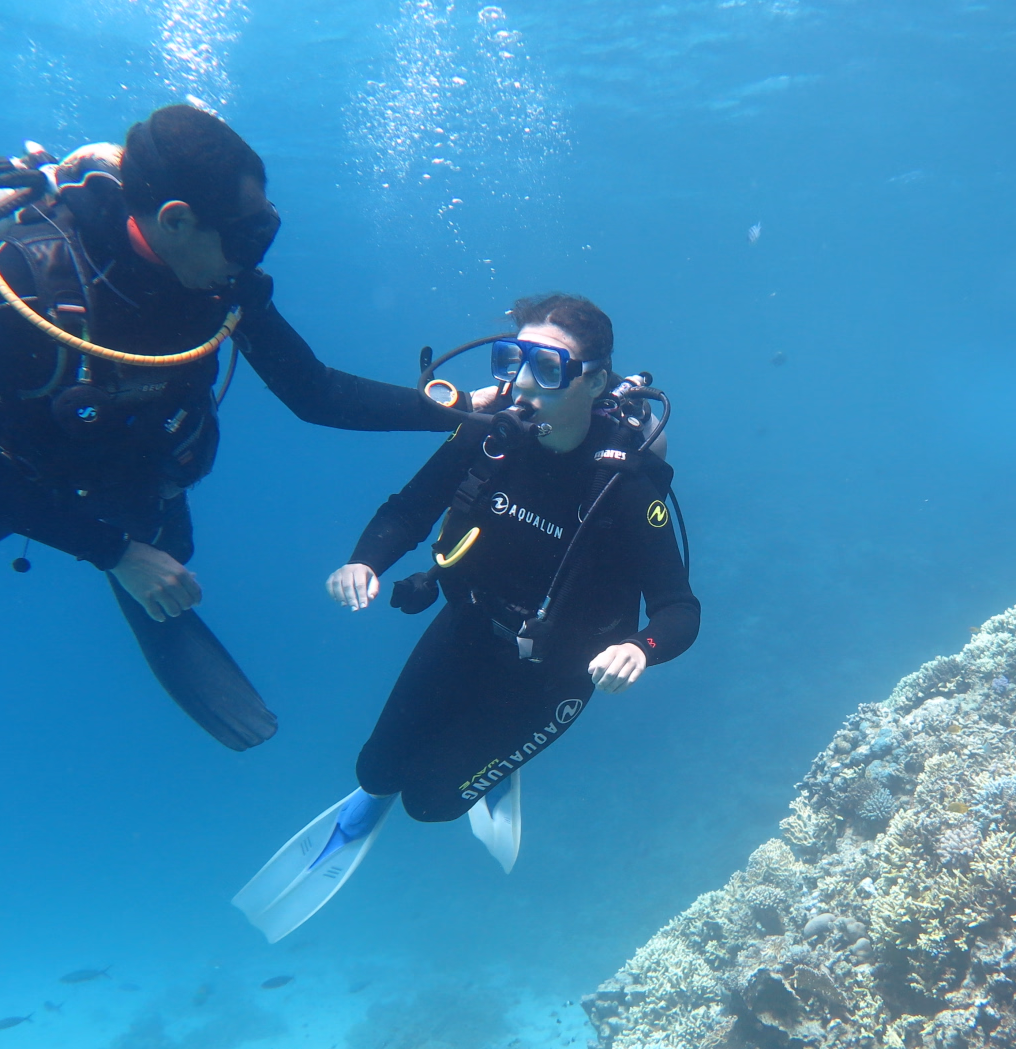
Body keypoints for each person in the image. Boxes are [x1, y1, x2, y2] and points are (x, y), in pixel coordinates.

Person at [0, 105, 458, 749]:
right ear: (174, 219)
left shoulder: (221, 281)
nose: (254, 259)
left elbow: (315, 392)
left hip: (130, 460)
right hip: (5, 455)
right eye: (244, 237)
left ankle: (124, 540)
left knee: (179, 563)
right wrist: (114, 552)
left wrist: (452, 410)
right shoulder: (25, 278)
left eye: (262, 234)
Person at [233, 294, 699, 941]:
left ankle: (498, 769)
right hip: (469, 625)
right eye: (514, 359)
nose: (522, 380)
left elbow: (679, 609)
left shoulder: (626, 485)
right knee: (374, 771)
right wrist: (364, 561)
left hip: (555, 674)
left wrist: (642, 648)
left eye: (549, 367)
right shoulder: (491, 438)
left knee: (428, 802)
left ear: (593, 381)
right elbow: (409, 507)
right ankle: (384, 793)